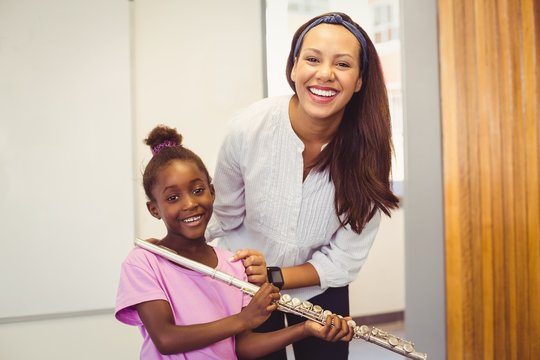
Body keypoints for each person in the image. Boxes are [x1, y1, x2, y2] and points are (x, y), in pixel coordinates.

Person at [206, 12, 400, 359]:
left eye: (342, 64)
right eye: (312, 59)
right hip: (245, 284)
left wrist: (276, 275)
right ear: (294, 67)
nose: (325, 74)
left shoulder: (370, 158)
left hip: (319, 288)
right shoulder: (247, 129)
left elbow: (344, 260)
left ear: (359, 81)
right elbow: (224, 217)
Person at [115, 125, 354, 360]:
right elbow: (166, 339)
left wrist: (305, 329)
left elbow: (242, 347)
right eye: (173, 197)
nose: (189, 203)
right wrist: (243, 319)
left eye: (197, 190)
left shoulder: (234, 265)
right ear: (154, 209)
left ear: (212, 192)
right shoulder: (143, 262)